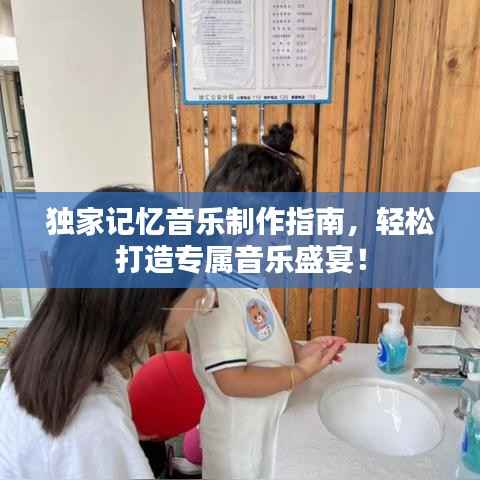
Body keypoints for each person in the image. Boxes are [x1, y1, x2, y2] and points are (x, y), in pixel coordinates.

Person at [0, 186, 209, 480]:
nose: (201, 295)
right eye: (198, 283)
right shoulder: (96, 430)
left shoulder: (40, 356)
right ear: (153, 301)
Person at [186, 123, 347, 479]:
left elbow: (258, 341)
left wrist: (297, 350)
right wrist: (298, 373)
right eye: (275, 228)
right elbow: (232, 379)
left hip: (262, 435)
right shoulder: (212, 293)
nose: (284, 238)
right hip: (237, 448)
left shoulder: (250, 275)